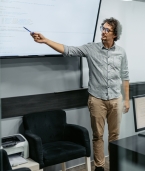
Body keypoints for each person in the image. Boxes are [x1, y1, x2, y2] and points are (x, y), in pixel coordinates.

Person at [30, 17, 129, 171]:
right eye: (103, 28)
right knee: (98, 136)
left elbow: (125, 76)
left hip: (116, 99)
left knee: (114, 137)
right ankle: (100, 167)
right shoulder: (91, 49)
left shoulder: (121, 53)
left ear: (114, 34)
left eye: (107, 30)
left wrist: (127, 100)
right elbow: (68, 50)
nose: (103, 31)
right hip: (97, 99)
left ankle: (115, 165)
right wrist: (45, 41)